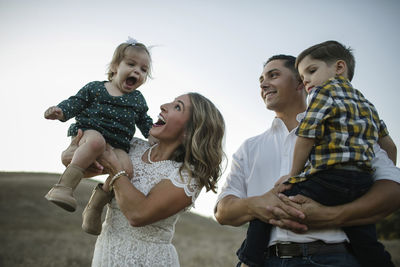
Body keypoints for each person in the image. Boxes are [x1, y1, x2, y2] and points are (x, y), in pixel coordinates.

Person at [214, 54, 400, 267]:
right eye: (261, 80)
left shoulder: (346, 131)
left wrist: (331, 216)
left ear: (301, 83)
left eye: (273, 75)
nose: (264, 84)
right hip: (265, 260)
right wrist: (257, 205)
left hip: (336, 258)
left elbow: (393, 191)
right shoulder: (249, 148)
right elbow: (222, 211)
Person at [62, 92, 226, 266]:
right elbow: (81, 167)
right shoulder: (132, 146)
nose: (164, 105)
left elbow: (138, 214)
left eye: (177, 106)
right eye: (171, 101)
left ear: (189, 132)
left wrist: (115, 169)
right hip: (106, 252)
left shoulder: (188, 176)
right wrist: (70, 152)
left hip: (148, 260)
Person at [44, 37, 154, 228]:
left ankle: (94, 208)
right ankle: (63, 187)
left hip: (118, 144)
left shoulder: (137, 99)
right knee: (97, 143)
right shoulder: (96, 88)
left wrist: (154, 136)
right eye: (131, 64)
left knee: (125, 170)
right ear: (114, 67)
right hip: (89, 133)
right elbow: (76, 102)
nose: (137, 71)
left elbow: (145, 122)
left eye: (143, 70)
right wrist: (61, 111)